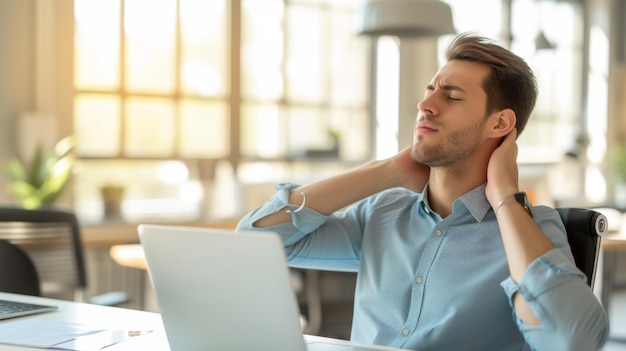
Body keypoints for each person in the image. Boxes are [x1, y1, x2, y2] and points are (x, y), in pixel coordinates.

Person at [236, 33, 609, 351]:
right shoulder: (383, 213)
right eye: (430, 90)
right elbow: (257, 238)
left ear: (500, 122)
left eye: (451, 96)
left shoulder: (532, 228)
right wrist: (386, 171)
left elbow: (570, 340)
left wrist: (505, 198)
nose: (425, 105)